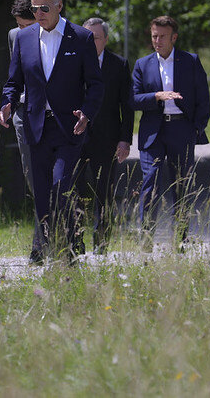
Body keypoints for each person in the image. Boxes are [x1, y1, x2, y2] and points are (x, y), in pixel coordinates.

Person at [0, 0, 103, 264]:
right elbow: (13, 81)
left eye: (44, 8)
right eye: (34, 8)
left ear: (59, 6)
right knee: (42, 193)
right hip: (35, 126)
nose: (39, 13)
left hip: (68, 127)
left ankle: (66, 248)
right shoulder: (24, 38)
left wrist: (87, 112)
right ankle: (54, 251)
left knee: (60, 186)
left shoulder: (80, 38)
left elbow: (95, 85)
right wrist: (7, 102)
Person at [132, 15, 210, 250]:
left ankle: (182, 238)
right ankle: (146, 239)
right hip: (153, 131)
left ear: (174, 37)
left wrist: (196, 127)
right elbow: (133, 99)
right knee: (150, 182)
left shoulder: (190, 61)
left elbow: (203, 97)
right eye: (154, 36)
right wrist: (156, 96)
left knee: (182, 185)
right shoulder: (142, 64)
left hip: (181, 129)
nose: (157, 40)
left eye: (162, 36)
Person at [75, 18, 134, 254]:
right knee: (75, 190)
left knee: (104, 192)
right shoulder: (72, 62)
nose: (91, 42)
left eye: (96, 37)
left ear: (106, 39)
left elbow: (126, 106)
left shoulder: (118, 65)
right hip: (76, 136)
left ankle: (101, 243)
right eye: (87, 37)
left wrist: (125, 139)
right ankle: (76, 241)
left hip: (107, 138)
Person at [6, 0, 38, 196]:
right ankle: (43, 224)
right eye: (20, 26)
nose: (23, 31)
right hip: (24, 112)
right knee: (32, 174)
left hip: (54, 112)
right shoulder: (14, 35)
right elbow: (15, 75)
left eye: (29, 26)